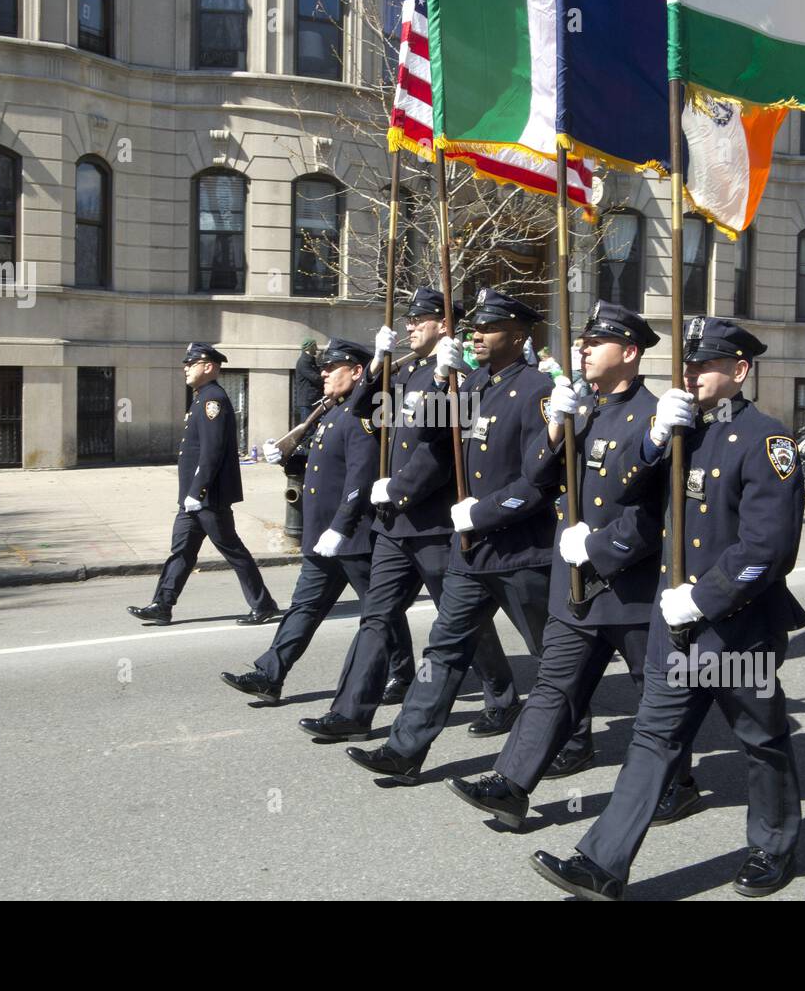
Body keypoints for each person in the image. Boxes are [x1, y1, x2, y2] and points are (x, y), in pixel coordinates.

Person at [531, 316, 805, 901]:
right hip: (673, 626)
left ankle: (774, 845)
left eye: (706, 364)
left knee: (760, 740)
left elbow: (769, 550)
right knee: (653, 738)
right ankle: (601, 863)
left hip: (737, 628)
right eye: (688, 363)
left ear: (739, 370)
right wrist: (655, 437)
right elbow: (625, 490)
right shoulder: (682, 429)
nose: (692, 374)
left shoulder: (767, 440)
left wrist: (703, 599)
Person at [448, 301, 671, 827]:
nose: (585, 348)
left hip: (628, 586)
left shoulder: (653, 416)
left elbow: (652, 514)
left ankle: (675, 784)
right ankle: (509, 785)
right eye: (585, 341)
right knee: (553, 685)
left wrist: (597, 549)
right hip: (575, 584)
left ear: (631, 352)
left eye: (598, 343)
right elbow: (537, 472)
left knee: (657, 697)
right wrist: (557, 427)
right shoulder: (583, 405)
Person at [345, 288, 579, 784]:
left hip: (519, 550)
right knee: (444, 651)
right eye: (473, 327)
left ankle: (576, 740)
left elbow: (540, 480)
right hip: (470, 552)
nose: (475, 334)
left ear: (517, 337)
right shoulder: (470, 383)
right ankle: (404, 748)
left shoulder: (537, 389)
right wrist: (438, 378)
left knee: (551, 655)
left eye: (487, 328)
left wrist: (485, 515)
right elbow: (425, 429)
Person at [298, 288, 520, 741]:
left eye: (420, 319)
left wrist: (397, 490)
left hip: (435, 524)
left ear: (444, 323)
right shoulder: (411, 373)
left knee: (460, 621)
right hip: (396, 526)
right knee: (375, 617)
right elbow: (364, 412)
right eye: (408, 319)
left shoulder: (458, 375)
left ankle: (502, 697)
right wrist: (378, 363)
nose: (409, 326)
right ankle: (352, 713)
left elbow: (443, 453)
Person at [219, 339, 415, 704]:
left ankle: (401, 674)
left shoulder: (365, 414)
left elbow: (360, 478)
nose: (323, 372)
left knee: (379, 610)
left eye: (332, 367)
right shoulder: (332, 411)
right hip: (323, 536)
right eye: (323, 367)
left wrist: (341, 528)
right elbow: (322, 467)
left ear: (357, 372)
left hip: (353, 535)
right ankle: (269, 674)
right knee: (304, 606)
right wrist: (287, 459)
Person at [128, 342, 280, 626]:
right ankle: (162, 604)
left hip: (208, 497)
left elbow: (213, 450)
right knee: (181, 551)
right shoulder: (201, 398)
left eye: (191, 363)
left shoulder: (213, 399)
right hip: (193, 498)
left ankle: (264, 605)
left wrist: (198, 491)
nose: (185, 368)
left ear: (208, 366)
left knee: (232, 550)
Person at [293, 338, 323, 425]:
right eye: (314, 346)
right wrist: (326, 379)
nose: (316, 349)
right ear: (309, 348)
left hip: (314, 399)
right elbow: (315, 378)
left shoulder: (311, 360)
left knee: (315, 426)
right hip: (307, 401)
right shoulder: (303, 362)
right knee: (307, 427)